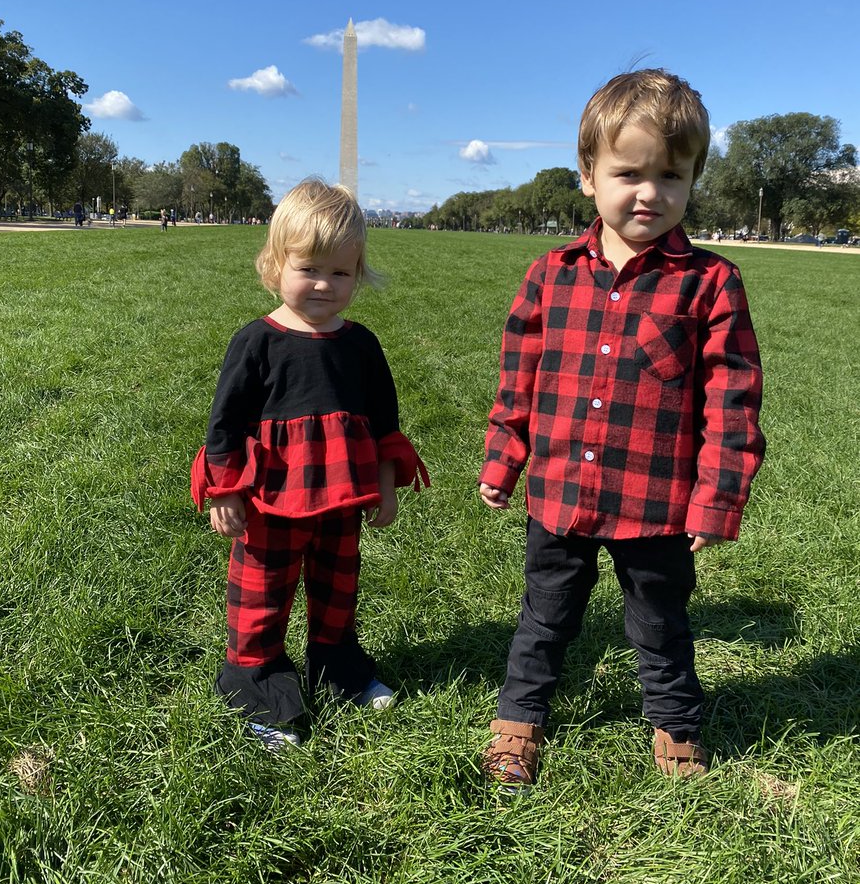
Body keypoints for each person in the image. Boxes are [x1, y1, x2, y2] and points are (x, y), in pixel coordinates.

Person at [479, 69, 765, 790]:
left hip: (657, 504)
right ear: (587, 177)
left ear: (694, 177)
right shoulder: (550, 275)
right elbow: (520, 379)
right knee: (544, 618)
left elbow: (733, 402)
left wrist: (717, 498)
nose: (649, 193)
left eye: (671, 175)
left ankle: (676, 728)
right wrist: (503, 458)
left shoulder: (711, 283)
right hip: (560, 493)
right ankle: (519, 721)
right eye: (628, 172)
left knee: (660, 627)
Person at [190, 177, 428, 751]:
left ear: (359, 272)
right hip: (271, 499)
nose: (324, 284)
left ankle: (336, 664)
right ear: (275, 265)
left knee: (338, 589)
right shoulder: (257, 342)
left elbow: (383, 425)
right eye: (309, 269)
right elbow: (224, 424)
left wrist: (386, 486)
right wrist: (224, 490)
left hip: (340, 497)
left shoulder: (361, 345)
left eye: (341, 273)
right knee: (262, 596)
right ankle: (258, 687)